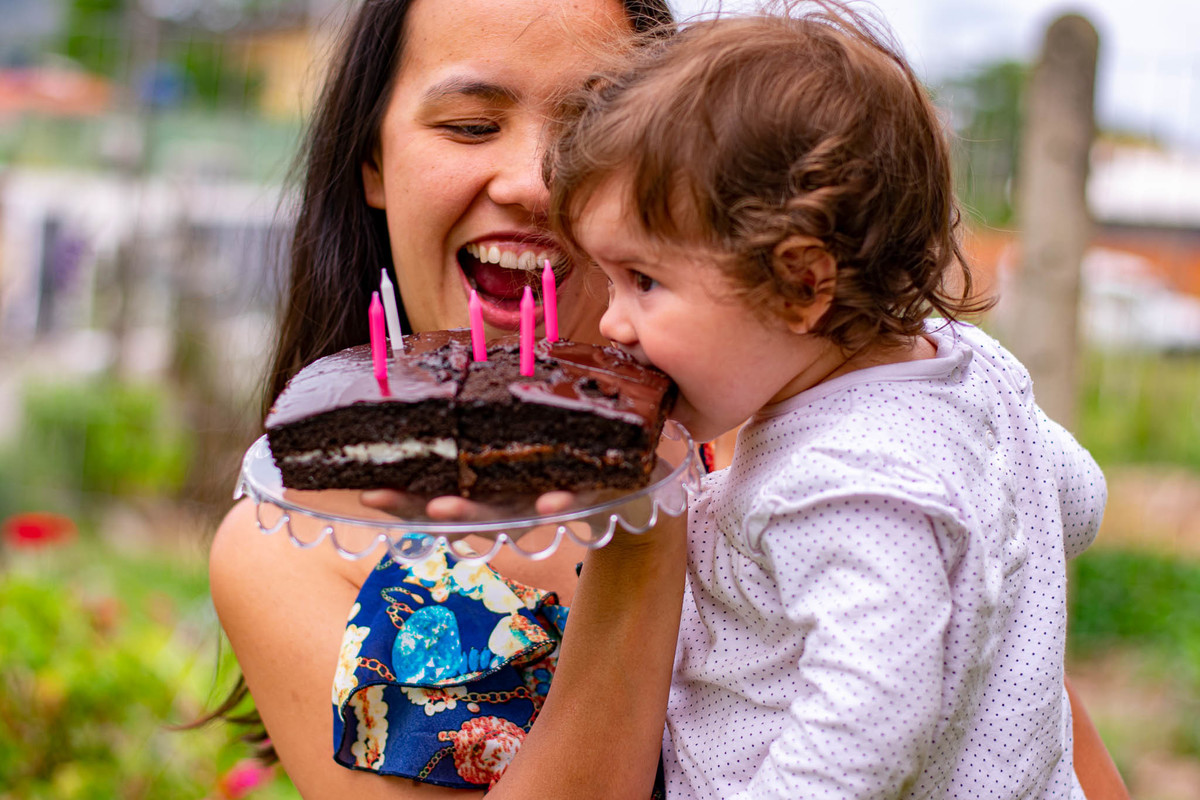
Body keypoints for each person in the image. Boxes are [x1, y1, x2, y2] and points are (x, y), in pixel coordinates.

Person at [208, 0, 1127, 796]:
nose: (533, 182)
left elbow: (1016, 714)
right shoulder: (293, 541)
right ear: (372, 159)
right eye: (471, 125)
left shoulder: (808, 418)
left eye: (584, 128)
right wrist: (646, 525)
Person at [541, 3, 1120, 797]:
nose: (613, 321)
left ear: (802, 282)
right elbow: (1078, 500)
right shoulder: (971, 367)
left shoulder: (850, 480)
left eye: (645, 280)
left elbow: (865, 734)